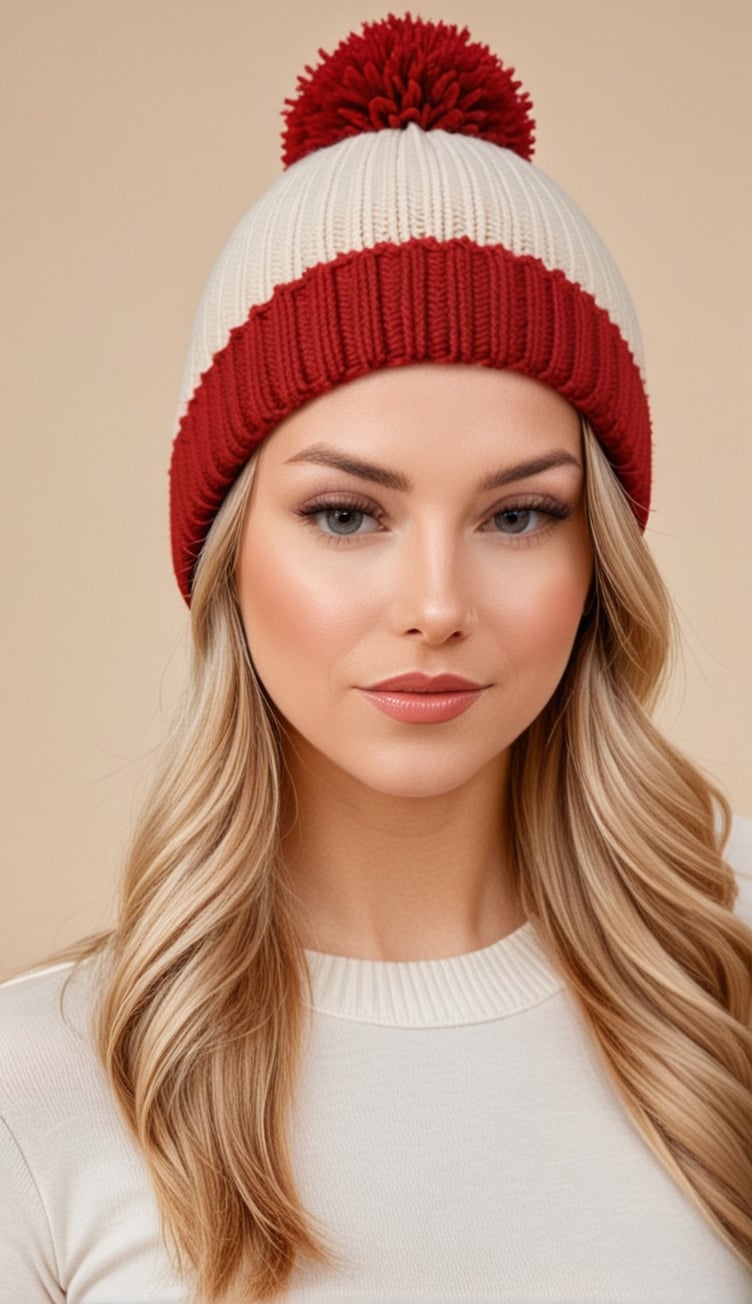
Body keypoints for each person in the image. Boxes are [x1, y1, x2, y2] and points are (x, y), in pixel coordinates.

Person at [1, 14, 750, 1304]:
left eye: (520, 514)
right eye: (347, 514)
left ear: (599, 561)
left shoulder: (722, 995)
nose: (436, 603)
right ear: (230, 554)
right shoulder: (35, 1094)